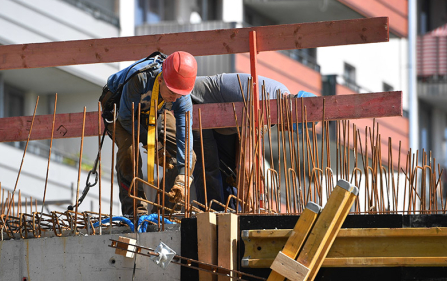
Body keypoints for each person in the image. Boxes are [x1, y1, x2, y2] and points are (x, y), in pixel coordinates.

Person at [190, 73, 314, 210]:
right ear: (291, 113)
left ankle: (230, 212)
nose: (289, 130)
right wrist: (249, 208)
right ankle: (213, 216)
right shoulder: (264, 107)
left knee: (230, 173)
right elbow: (245, 164)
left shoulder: (279, 97)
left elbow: (244, 148)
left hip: (222, 121)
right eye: (292, 126)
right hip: (197, 104)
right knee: (209, 165)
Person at [101, 51, 197, 216]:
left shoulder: (179, 94)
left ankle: (164, 212)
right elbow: (126, 118)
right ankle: (135, 212)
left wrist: (183, 175)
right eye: (173, 93)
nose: (176, 98)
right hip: (122, 111)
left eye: (180, 95)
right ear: (160, 80)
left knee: (189, 158)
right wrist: (154, 145)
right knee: (129, 152)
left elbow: (185, 135)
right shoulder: (139, 78)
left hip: (156, 108)